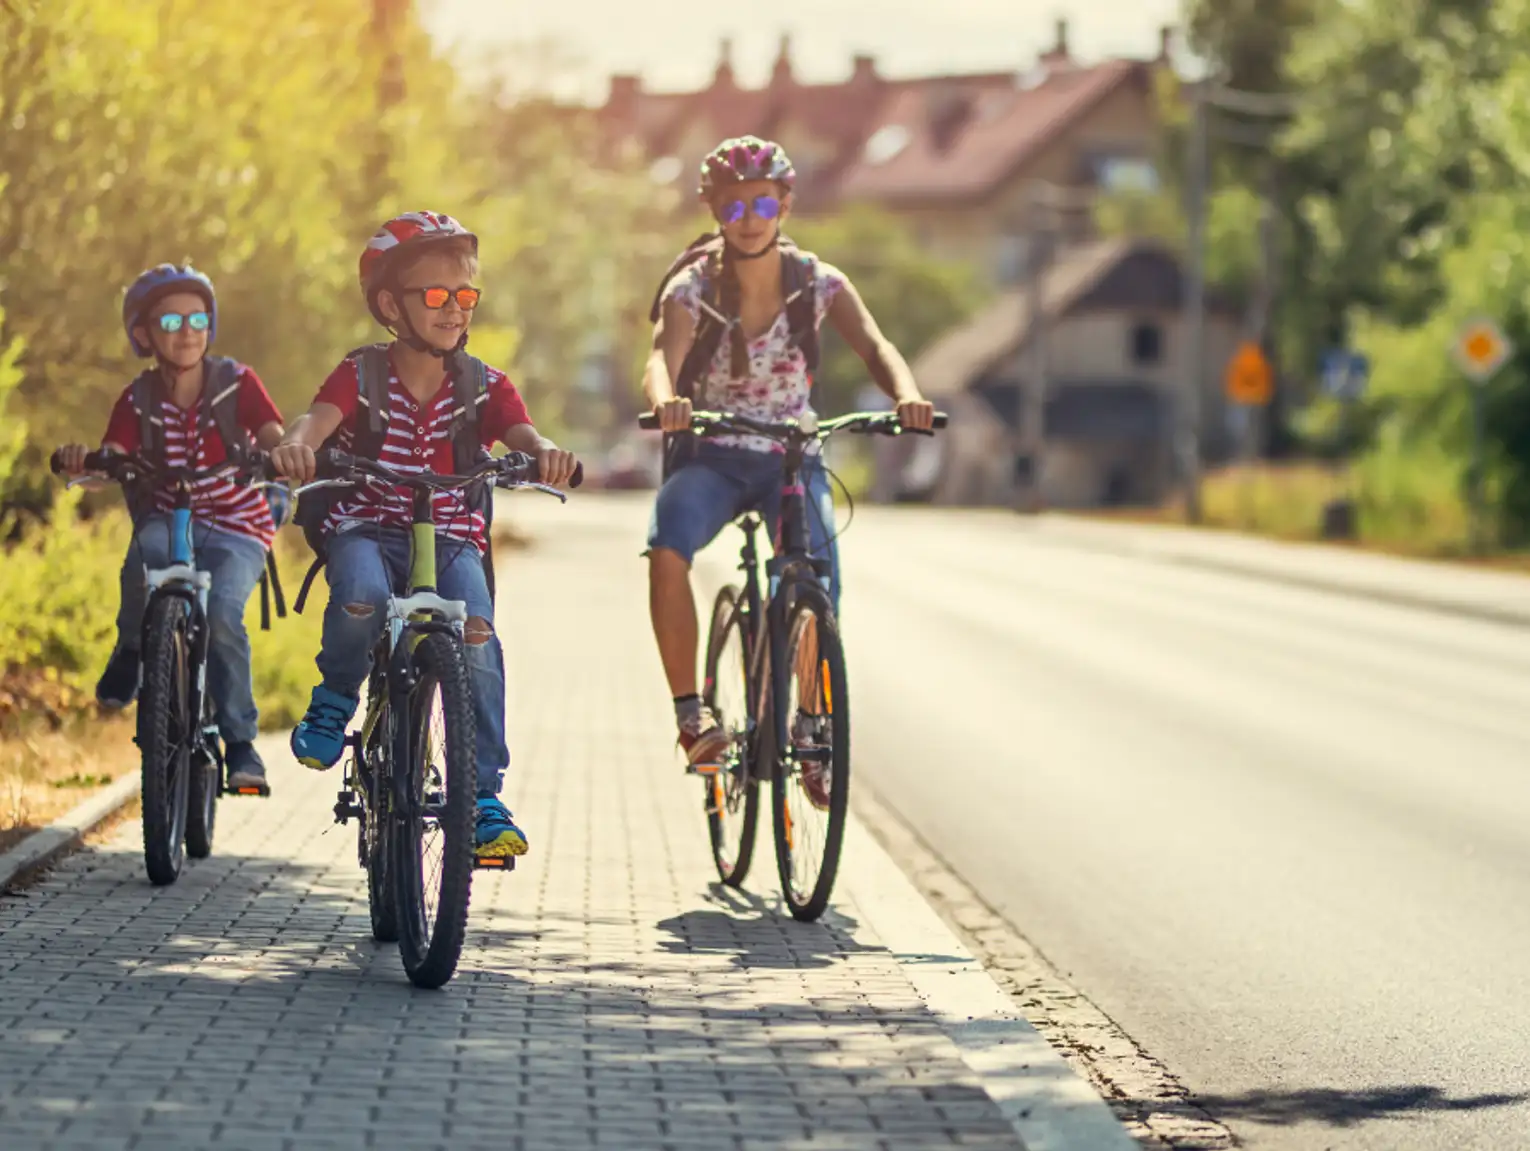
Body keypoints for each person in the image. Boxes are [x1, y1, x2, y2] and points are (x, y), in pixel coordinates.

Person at [270, 211, 578, 860]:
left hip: (454, 536)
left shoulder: (483, 385)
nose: (453, 309)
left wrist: (545, 452)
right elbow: (315, 421)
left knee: (478, 636)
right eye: (435, 295)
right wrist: (298, 447)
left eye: (465, 296)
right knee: (359, 595)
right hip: (367, 526)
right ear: (390, 303)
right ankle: (333, 698)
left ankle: (483, 794)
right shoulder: (361, 375)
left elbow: (525, 433)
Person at [643, 136, 935, 785]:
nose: (750, 218)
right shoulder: (692, 288)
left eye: (763, 204)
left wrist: (907, 395)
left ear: (786, 206)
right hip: (714, 453)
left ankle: (810, 724)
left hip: (793, 457)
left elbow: (876, 345)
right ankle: (693, 716)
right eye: (734, 206)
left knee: (815, 579)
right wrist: (668, 403)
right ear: (716, 213)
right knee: (667, 548)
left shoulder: (820, 282)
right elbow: (661, 356)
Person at [56, 264, 286, 795]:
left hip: (237, 524)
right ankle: (134, 648)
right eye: (172, 320)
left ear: (211, 326)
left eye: (198, 318)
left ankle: (242, 744)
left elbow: (275, 434)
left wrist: (284, 454)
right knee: (142, 561)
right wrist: (81, 464)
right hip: (168, 517)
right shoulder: (137, 398)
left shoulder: (237, 383)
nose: (187, 330)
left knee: (225, 616)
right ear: (144, 334)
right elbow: (109, 460)